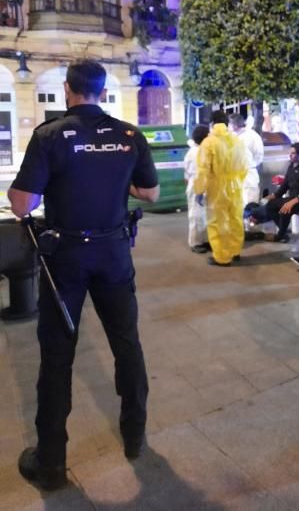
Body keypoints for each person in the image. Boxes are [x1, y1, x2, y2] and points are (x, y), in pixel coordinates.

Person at [8, 59, 159, 491]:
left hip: (66, 259)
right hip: (113, 253)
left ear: (67, 89)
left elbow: (21, 204)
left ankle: (51, 462)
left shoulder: (50, 136)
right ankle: (134, 438)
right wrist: (114, 181)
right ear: (103, 90)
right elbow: (148, 191)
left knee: (57, 357)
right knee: (127, 345)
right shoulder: (129, 135)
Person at [194, 110, 248, 266]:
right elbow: (245, 166)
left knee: (218, 221)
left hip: (217, 186)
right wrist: (237, 181)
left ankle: (222, 257)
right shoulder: (237, 141)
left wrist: (199, 190)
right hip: (236, 185)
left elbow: (203, 169)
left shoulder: (209, 143)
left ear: (212, 123)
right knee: (235, 219)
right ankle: (235, 251)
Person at [264, 142, 299, 242]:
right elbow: (285, 186)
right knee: (270, 206)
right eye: (290, 153)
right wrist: (273, 196)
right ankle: (284, 232)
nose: (290, 155)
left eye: (293, 153)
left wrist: (294, 201)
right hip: (291, 198)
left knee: (285, 209)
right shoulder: (291, 167)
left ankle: (280, 235)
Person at [184, 125, 210, 253]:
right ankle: (195, 242)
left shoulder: (195, 151)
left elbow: (186, 173)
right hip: (197, 185)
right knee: (196, 215)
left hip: (198, 184)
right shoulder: (197, 152)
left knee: (203, 214)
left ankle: (203, 240)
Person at [229, 113, 264, 207]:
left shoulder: (252, 136)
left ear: (234, 125)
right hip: (235, 177)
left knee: (250, 204)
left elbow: (259, 155)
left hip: (249, 175)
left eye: (229, 124)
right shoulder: (231, 137)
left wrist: (250, 164)